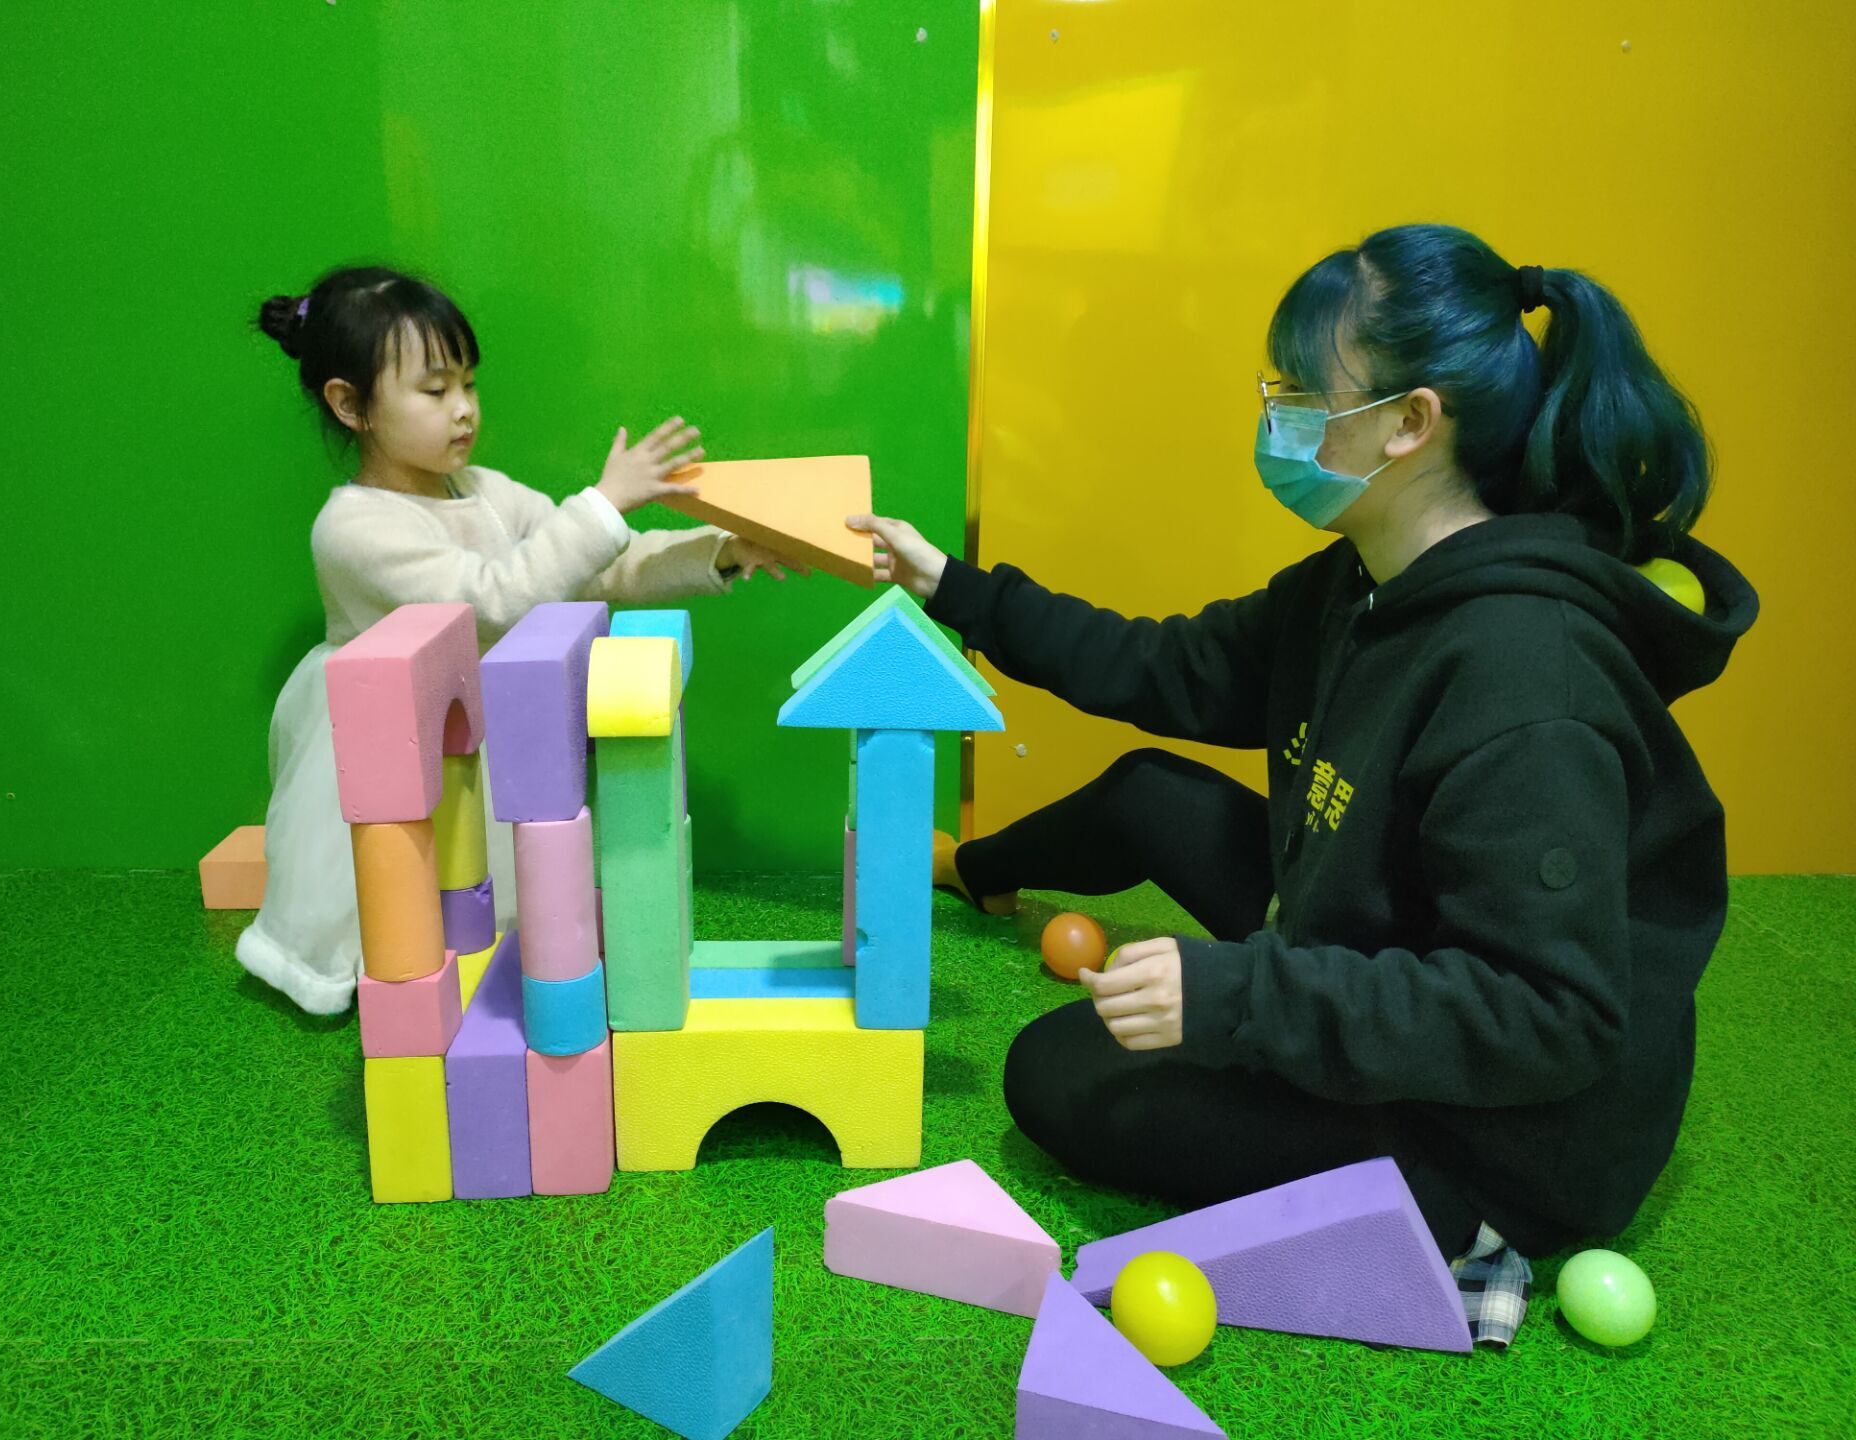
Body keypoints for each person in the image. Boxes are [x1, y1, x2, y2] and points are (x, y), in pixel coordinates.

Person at [850, 223, 1757, 1272]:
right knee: (1150, 792)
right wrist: (952, 588)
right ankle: (976, 871)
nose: (1275, 421)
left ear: (1410, 423)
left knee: (1055, 1072)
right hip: (1374, 934)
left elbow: (1548, 1015)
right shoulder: (1359, 577)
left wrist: (1240, 997)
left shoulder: (1528, 687)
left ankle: (1467, 1221)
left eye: (1301, 397)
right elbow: (1163, 665)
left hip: (1509, 1129)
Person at [237, 265, 797, 1015]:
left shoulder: (485, 490)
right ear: (350, 405)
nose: (464, 409)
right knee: (393, 892)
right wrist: (602, 504)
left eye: (468, 384)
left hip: (483, 725)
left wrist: (721, 550)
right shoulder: (352, 527)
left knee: (499, 891)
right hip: (398, 742)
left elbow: (601, 564)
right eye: (434, 390)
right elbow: (491, 602)